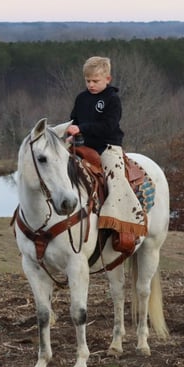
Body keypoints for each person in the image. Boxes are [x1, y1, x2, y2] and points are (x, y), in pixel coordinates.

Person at [66, 56, 147, 254]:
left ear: (107, 79)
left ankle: (123, 228)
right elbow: (74, 119)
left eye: (95, 81)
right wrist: (70, 132)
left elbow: (108, 126)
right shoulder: (81, 98)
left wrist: (81, 128)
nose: (91, 85)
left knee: (116, 180)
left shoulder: (112, 99)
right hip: (82, 145)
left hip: (107, 146)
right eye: (88, 81)